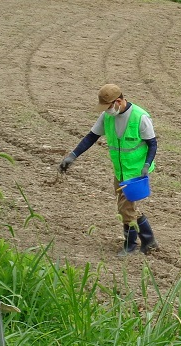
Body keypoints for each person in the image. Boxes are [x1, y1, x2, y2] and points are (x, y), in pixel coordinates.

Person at [58, 83, 159, 257]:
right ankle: (149, 241)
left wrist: (146, 165)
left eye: (108, 107)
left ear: (118, 101)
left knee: (125, 208)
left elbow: (152, 143)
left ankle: (131, 245)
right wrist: (73, 155)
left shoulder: (140, 117)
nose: (106, 111)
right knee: (127, 207)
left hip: (135, 173)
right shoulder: (107, 117)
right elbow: (91, 137)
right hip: (120, 171)